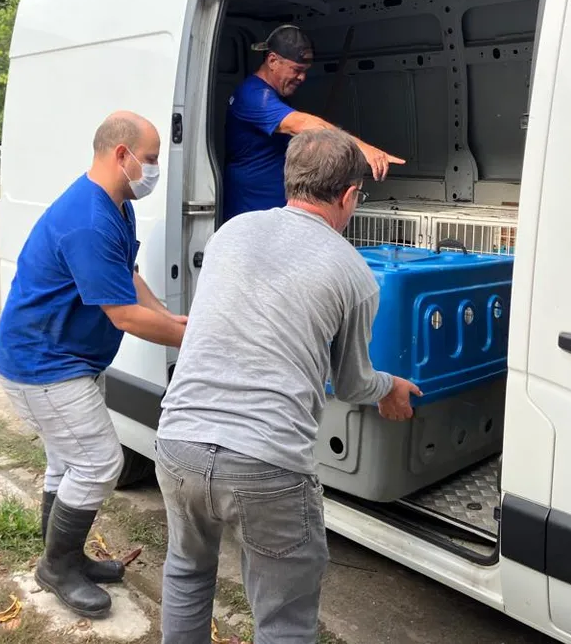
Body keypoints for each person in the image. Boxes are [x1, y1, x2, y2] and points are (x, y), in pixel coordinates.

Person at [154, 128, 421, 643]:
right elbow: (350, 381)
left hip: (178, 440)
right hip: (266, 462)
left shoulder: (230, 233)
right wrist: (389, 387)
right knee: (285, 620)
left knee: (187, 571)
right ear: (348, 196)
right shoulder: (353, 271)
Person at [0, 110, 187, 619]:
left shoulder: (115, 206)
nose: (153, 170)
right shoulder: (89, 218)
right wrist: (194, 337)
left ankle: (66, 557)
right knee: (100, 461)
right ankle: (56, 568)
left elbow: (130, 277)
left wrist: (171, 318)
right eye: (150, 160)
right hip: (44, 364)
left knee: (67, 461)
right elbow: (123, 315)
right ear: (121, 155)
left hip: (66, 358)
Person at [222, 23, 406, 221]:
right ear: (273, 60)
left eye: (305, 70)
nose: (302, 77)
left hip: (275, 215)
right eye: (296, 69)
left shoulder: (274, 96)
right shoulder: (254, 97)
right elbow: (301, 124)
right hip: (252, 216)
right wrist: (362, 148)